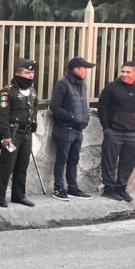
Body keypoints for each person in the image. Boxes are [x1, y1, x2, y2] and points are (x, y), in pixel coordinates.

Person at [97, 61, 135, 202]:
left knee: (128, 162)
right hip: (113, 131)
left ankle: (121, 188)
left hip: (133, 133)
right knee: (109, 162)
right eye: (122, 71)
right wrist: (106, 128)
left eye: (128, 72)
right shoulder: (111, 87)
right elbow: (102, 107)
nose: (124, 74)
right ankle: (108, 189)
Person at [49, 57, 95, 201]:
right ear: (76, 69)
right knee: (62, 159)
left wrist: (85, 119)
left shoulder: (82, 85)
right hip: (65, 128)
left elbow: (83, 105)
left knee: (73, 160)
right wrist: (72, 118)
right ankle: (58, 189)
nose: (86, 71)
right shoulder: (62, 84)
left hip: (78, 129)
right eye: (84, 68)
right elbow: (55, 107)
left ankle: (73, 188)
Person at [0, 58, 39, 207]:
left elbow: (34, 108)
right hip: (12, 134)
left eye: (32, 73)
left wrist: (33, 124)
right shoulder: (6, 92)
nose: (31, 75)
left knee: (22, 166)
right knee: (7, 166)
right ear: (18, 73)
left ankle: (18, 196)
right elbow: (3, 115)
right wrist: (5, 136)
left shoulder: (32, 91)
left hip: (26, 134)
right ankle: (0, 197)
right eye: (27, 73)